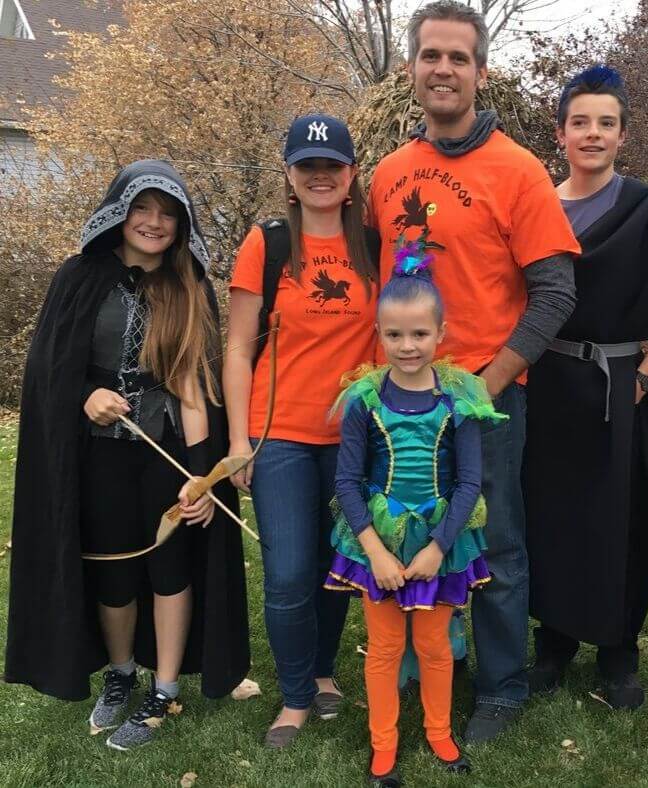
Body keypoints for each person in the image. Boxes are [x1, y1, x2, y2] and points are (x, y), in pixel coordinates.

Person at [367, 0, 580, 742]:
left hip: (483, 403)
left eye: (459, 58)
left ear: (481, 73)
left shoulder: (518, 172)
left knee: (493, 541)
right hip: (399, 401)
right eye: (432, 56)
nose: (444, 69)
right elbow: (379, 279)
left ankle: (501, 686)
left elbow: (556, 292)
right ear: (412, 69)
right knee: (406, 532)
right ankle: (419, 663)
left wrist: (484, 386)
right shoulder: (390, 173)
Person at [4, 160, 250, 751]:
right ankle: (120, 673)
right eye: (143, 208)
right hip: (99, 454)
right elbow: (47, 368)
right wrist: (86, 395)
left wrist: (202, 476)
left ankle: (163, 686)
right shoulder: (79, 276)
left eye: (168, 214)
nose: (154, 222)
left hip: (164, 450)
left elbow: (195, 387)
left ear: (182, 224)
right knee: (114, 565)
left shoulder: (189, 285)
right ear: (120, 211)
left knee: (170, 565)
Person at [524, 66, 648, 708]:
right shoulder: (536, 205)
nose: (592, 134)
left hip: (620, 386)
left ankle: (617, 651)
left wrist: (646, 376)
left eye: (606, 123)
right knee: (549, 514)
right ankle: (553, 643)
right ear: (561, 133)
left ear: (623, 134)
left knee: (621, 520)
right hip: (546, 384)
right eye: (581, 122)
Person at [224, 114, 378, 748]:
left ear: (350, 176)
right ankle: (291, 698)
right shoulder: (268, 244)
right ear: (290, 175)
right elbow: (236, 347)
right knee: (288, 571)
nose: (321, 176)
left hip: (353, 437)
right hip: (279, 435)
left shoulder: (373, 244)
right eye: (308, 166)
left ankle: (321, 674)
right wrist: (239, 442)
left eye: (332, 166)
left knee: (335, 565)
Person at [325, 255, 503, 785]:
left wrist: (438, 548)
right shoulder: (364, 400)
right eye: (396, 334)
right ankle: (384, 745)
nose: (408, 346)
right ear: (379, 334)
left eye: (420, 333)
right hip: (377, 540)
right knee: (384, 647)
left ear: (441, 333)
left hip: (438, 540)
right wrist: (375, 552)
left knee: (433, 644)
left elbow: (469, 482)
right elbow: (346, 481)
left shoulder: (460, 399)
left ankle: (439, 733)